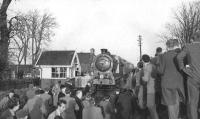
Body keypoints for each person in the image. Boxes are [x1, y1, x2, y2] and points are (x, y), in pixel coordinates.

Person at [157, 39, 185, 119]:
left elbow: (161, 71)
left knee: (170, 104)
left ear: (167, 46)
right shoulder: (179, 55)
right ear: (174, 45)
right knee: (176, 102)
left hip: (167, 83)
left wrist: (156, 68)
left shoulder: (163, 56)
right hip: (178, 83)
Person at [177, 30, 200, 119]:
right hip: (193, 76)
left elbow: (179, 57)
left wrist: (183, 68)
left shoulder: (188, 46)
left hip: (193, 77)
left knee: (193, 103)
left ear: (194, 38)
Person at [142, 54, 159, 119]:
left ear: (143, 60)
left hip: (150, 89)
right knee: (153, 106)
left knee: (150, 106)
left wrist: (142, 78)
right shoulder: (153, 66)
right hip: (155, 87)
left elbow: (146, 79)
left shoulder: (148, 67)